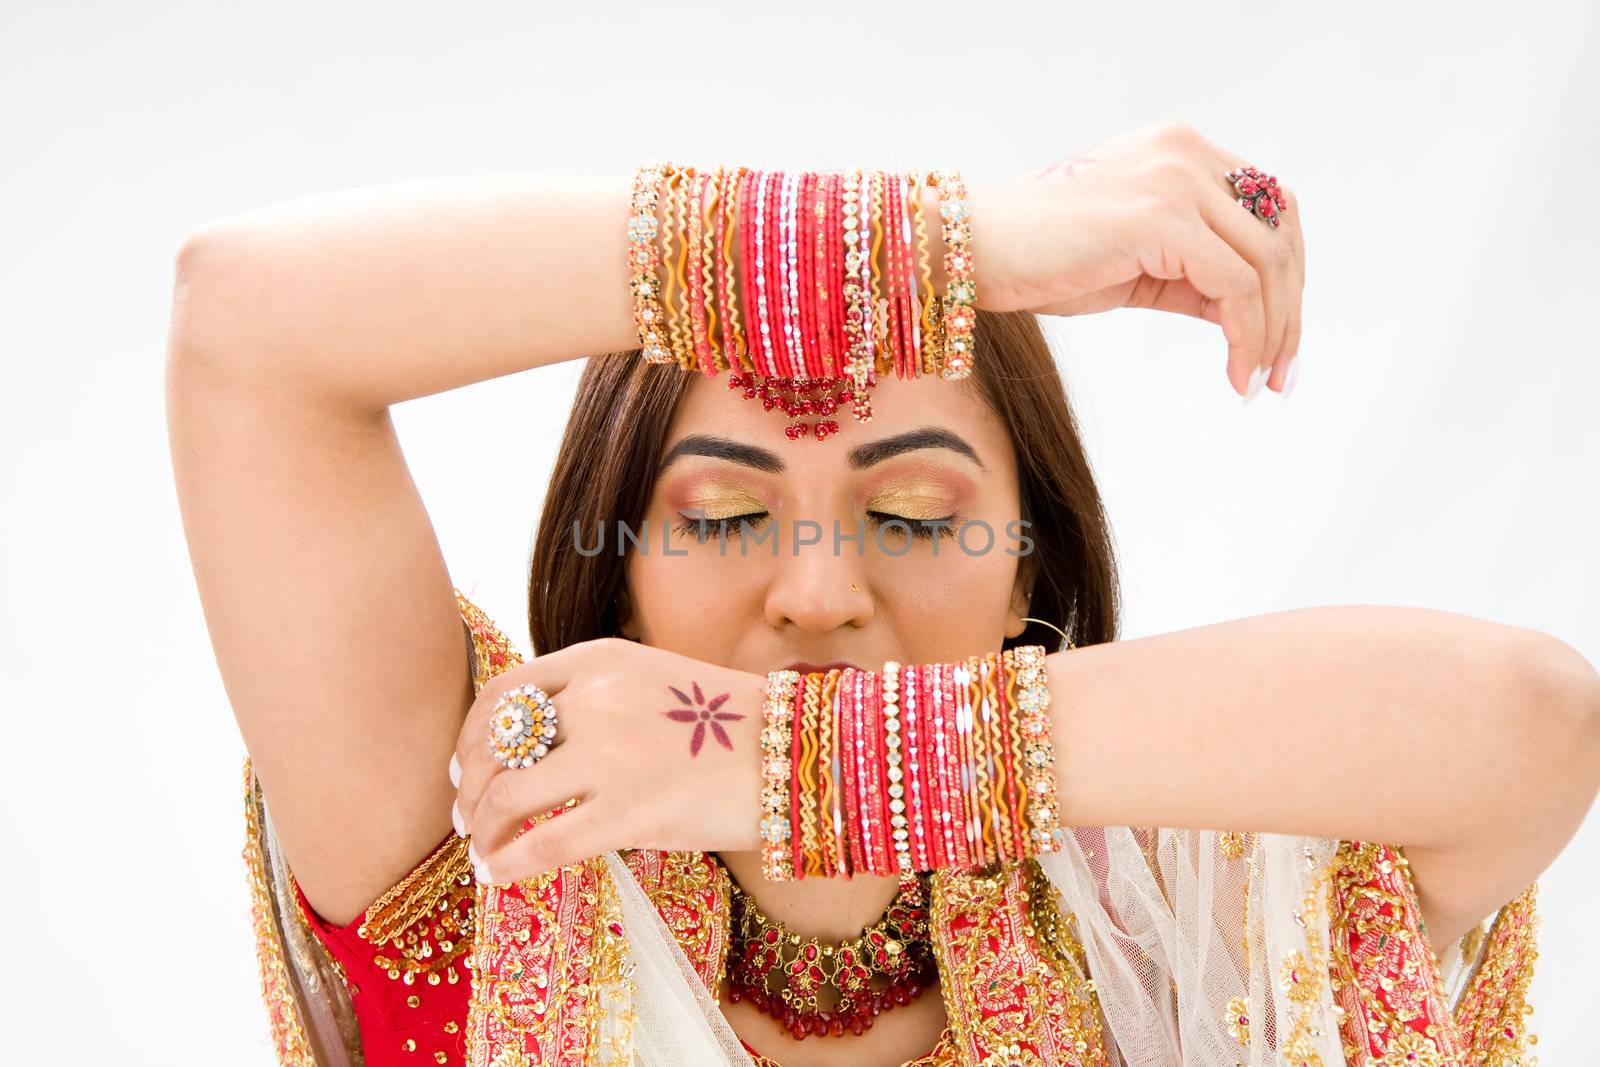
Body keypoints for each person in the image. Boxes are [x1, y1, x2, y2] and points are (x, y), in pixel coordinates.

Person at [166, 121, 1598, 1066]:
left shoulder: (1178, 918)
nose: (816, 588)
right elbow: (247, 325)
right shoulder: (483, 854)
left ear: (1034, 554)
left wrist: (790, 768)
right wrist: (963, 240)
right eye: (722, 513)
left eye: (913, 514)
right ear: (613, 542)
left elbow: (1531, 722)